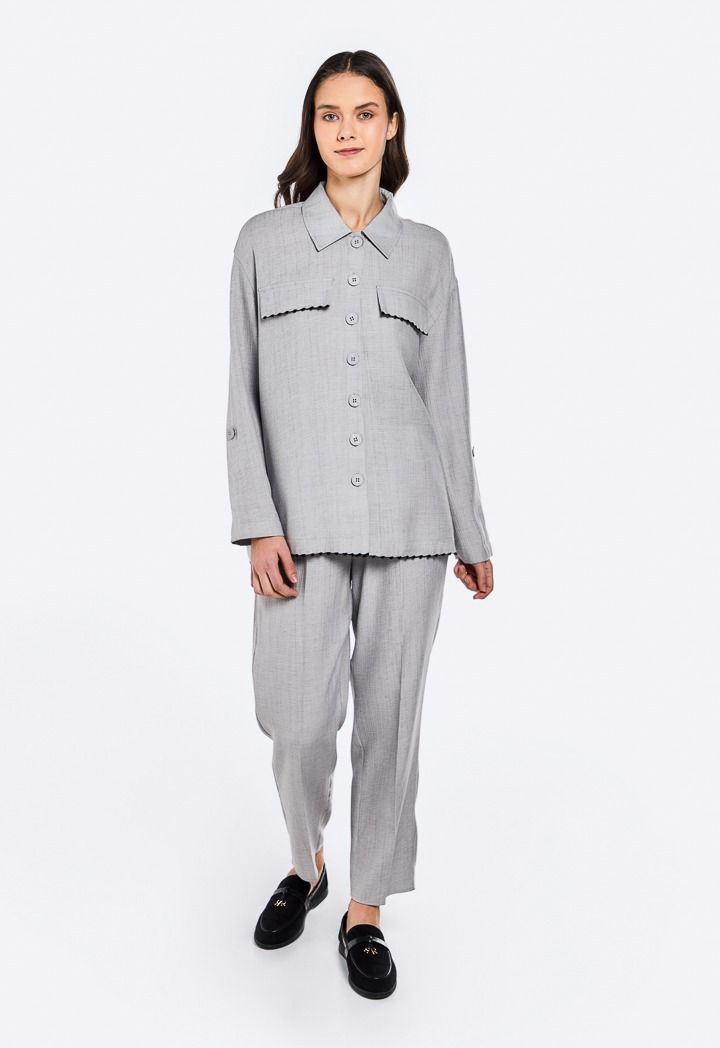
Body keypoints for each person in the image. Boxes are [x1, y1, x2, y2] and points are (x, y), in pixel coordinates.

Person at [225, 49, 494, 999]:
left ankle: (366, 908)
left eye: (365, 112)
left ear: (392, 126)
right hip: (296, 528)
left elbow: (448, 398)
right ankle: (307, 863)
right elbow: (241, 394)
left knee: (392, 721)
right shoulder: (262, 242)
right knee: (298, 722)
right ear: (313, 128)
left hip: (413, 524)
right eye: (330, 114)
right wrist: (257, 521)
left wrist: (472, 533)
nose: (347, 129)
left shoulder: (428, 254)